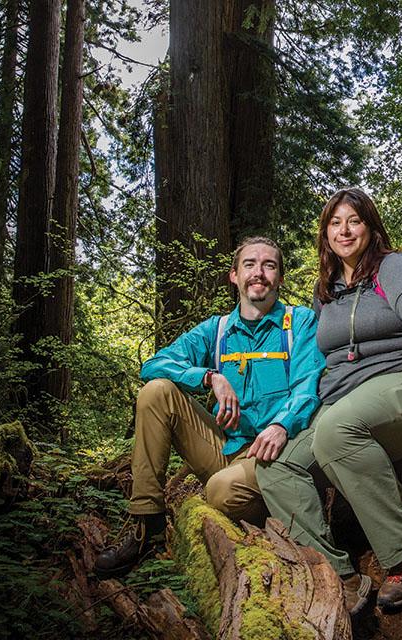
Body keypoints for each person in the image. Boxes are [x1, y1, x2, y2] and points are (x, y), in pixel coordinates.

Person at [259, 188, 402, 612]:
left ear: (370, 227)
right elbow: (320, 360)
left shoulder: (395, 266)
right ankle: (336, 574)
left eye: (353, 220)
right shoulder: (326, 290)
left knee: (336, 432)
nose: (344, 230)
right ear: (325, 233)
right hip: (349, 396)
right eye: (335, 223)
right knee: (277, 464)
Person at [93, 236, 325, 582]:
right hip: (225, 449)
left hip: (276, 454)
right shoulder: (216, 330)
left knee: (220, 490)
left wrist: (281, 425)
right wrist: (208, 377)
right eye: (249, 264)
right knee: (157, 392)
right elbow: (153, 365)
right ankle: (149, 527)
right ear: (234, 276)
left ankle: (281, 521)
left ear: (279, 278)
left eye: (269, 265)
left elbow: (308, 386)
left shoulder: (300, 323)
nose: (258, 273)